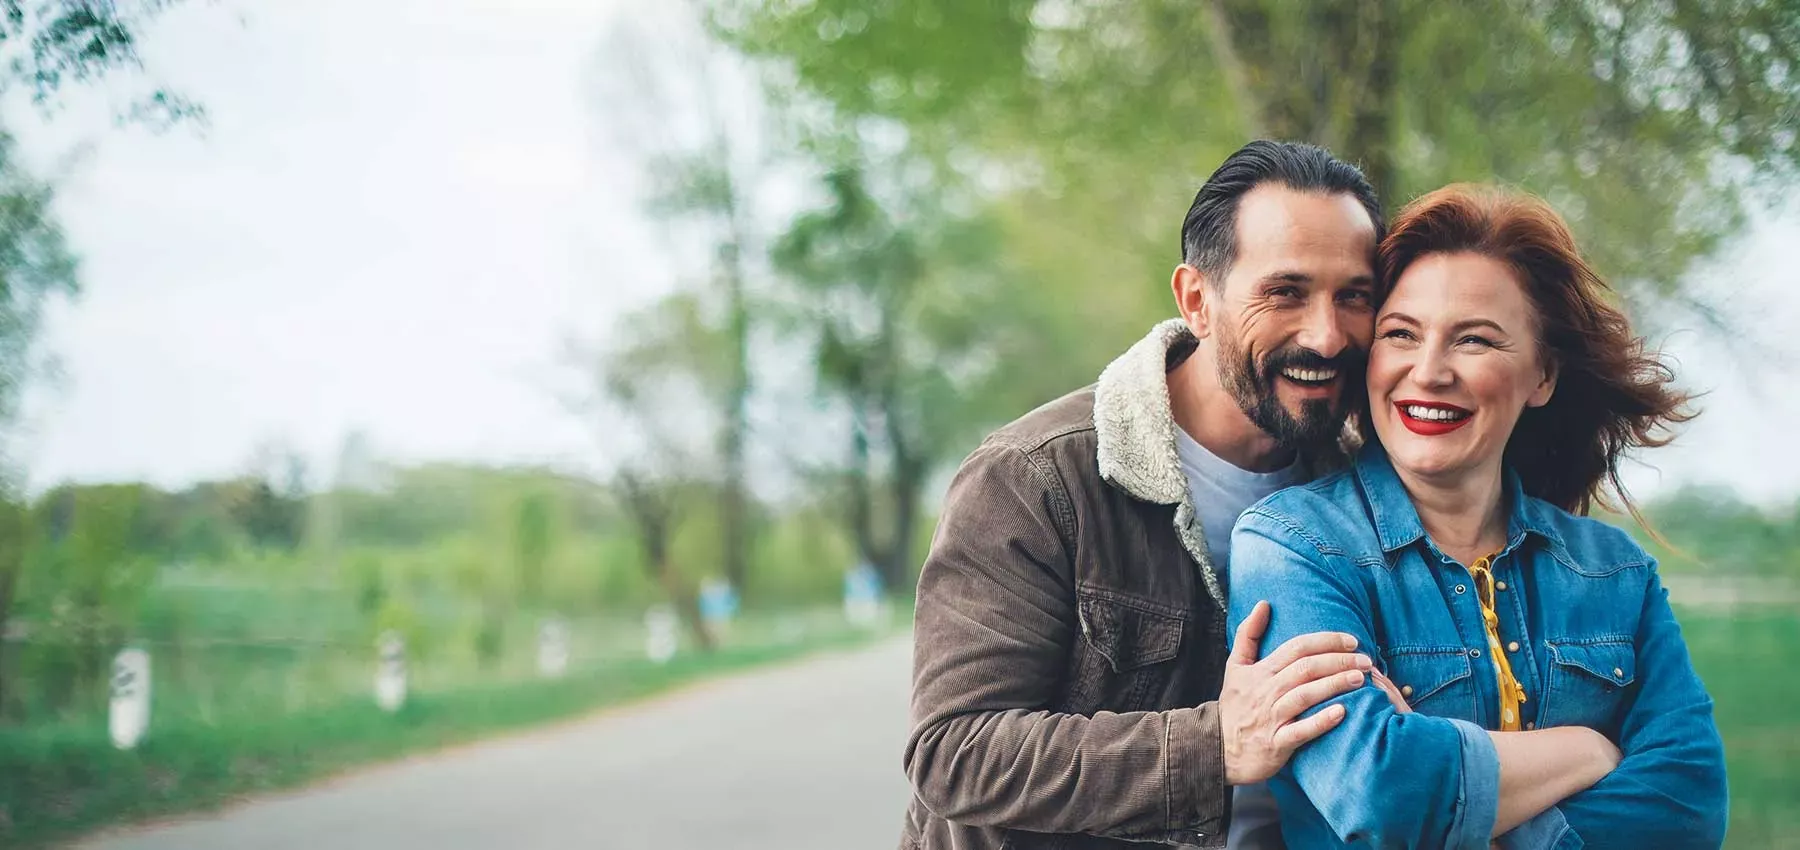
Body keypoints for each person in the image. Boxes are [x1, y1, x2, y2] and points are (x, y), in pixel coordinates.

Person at [902, 140, 1393, 850]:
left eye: (1354, 296)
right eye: (1285, 292)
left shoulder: (1369, 491)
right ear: (1198, 300)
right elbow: (955, 754)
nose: (1326, 334)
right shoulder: (1035, 479)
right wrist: (1214, 744)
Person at [1226, 185, 1729, 849]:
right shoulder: (1294, 547)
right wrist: (1586, 750)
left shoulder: (1615, 574)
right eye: (1401, 334)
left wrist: (1475, 821)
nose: (1428, 372)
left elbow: (1690, 804)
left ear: (1542, 376)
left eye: (1475, 340)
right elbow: (1381, 794)